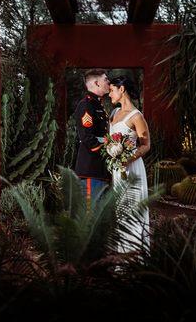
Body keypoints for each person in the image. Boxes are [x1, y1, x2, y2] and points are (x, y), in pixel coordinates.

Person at [108, 75, 150, 253]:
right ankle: (122, 256)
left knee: (134, 208)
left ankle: (136, 256)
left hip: (132, 168)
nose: (109, 94)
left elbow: (146, 145)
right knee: (121, 210)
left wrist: (127, 158)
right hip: (117, 169)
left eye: (111, 90)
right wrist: (111, 150)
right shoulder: (113, 114)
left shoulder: (136, 116)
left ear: (121, 89)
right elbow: (108, 141)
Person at [74, 68, 110, 207]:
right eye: (106, 79)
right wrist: (109, 151)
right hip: (91, 168)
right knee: (91, 214)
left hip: (100, 169)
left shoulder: (97, 105)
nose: (108, 82)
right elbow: (88, 138)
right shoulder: (87, 105)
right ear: (97, 83)